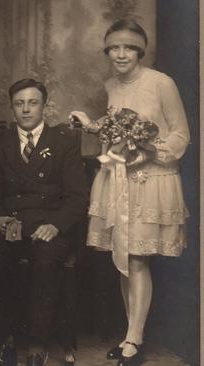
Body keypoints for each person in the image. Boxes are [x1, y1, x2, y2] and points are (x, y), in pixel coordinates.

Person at [70, 19, 190, 366]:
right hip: (119, 181)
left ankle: (134, 340)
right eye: (114, 48)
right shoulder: (111, 86)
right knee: (123, 258)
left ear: (140, 51)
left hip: (151, 181)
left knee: (137, 259)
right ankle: (130, 336)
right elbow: (114, 137)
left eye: (129, 48)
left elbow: (181, 134)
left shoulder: (161, 84)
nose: (121, 54)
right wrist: (92, 127)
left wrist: (147, 151)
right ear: (107, 51)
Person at [0, 79, 88, 366]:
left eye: (33, 102)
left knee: (45, 261)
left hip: (48, 228)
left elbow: (77, 197)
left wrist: (56, 226)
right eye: (19, 103)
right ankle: (1, 340)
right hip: (10, 228)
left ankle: (37, 343)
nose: (26, 109)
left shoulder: (63, 144)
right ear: (12, 108)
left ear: (44, 106)